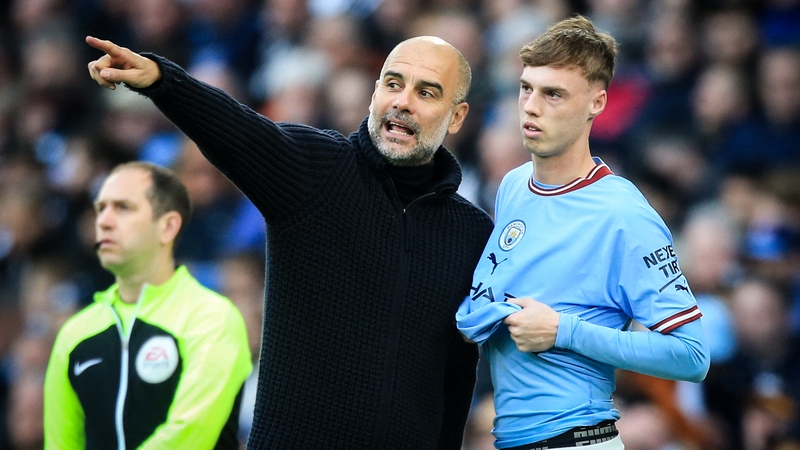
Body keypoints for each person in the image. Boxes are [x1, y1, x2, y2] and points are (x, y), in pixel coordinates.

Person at [85, 33, 494, 449]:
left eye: (426, 92)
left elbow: (456, 379)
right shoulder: (319, 172)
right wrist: (161, 80)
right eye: (393, 83)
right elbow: (236, 131)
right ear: (375, 94)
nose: (402, 102)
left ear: (457, 116)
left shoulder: (472, 233)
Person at [456, 16, 710, 450]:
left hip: (580, 439)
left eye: (553, 94)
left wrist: (565, 331)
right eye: (526, 88)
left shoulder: (623, 213)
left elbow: (692, 356)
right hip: (510, 440)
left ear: (597, 102)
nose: (531, 106)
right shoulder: (513, 186)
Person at [43, 162, 252, 449]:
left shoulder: (211, 317)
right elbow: (59, 444)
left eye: (123, 208)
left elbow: (190, 434)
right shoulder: (75, 332)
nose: (104, 221)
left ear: (167, 227)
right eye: (101, 208)